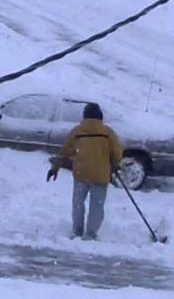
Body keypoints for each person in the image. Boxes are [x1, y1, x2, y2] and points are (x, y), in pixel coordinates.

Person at [47, 102, 123, 240]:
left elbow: (65, 151)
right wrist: (114, 164)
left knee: (78, 203)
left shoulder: (78, 131)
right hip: (100, 175)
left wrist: (55, 168)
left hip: (81, 174)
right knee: (96, 207)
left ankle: (77, 231)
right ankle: (91, 234)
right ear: (100, 116)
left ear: (85, 115)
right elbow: (117, 152)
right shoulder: (107, 132)